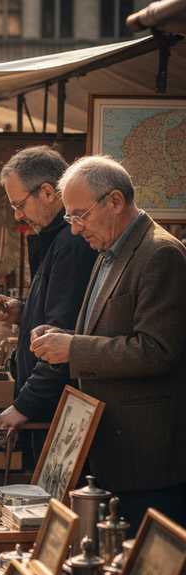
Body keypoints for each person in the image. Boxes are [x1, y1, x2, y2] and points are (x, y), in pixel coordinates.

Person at [31, 155, 186, 530]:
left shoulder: (160, 253)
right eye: (70, 217)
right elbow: (105, 332)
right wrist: (67, 338)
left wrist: (74, 349)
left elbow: (157, 350)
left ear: (114, 202)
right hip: (109, 450)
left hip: (146, 460)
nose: (74, 228)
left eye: (80, 215)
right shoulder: (107, 249)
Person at [0, 147, 97, 465]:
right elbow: (55, 313)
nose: (18, 215)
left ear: (48, 192)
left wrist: (25, 406)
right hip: (47, 407)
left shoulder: (72, 244)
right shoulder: (59, 241)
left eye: (19, 205)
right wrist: (22, 310)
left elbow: (62, 338)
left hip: (53, 410)